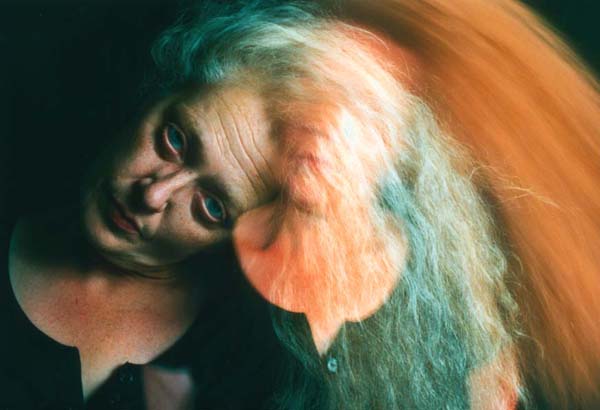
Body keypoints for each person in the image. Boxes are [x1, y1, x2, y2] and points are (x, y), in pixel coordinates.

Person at [1, 1, 599, 410]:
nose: (153, 194)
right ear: (159, 91)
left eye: (211, 207)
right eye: (175, 138)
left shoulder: (252, 368)